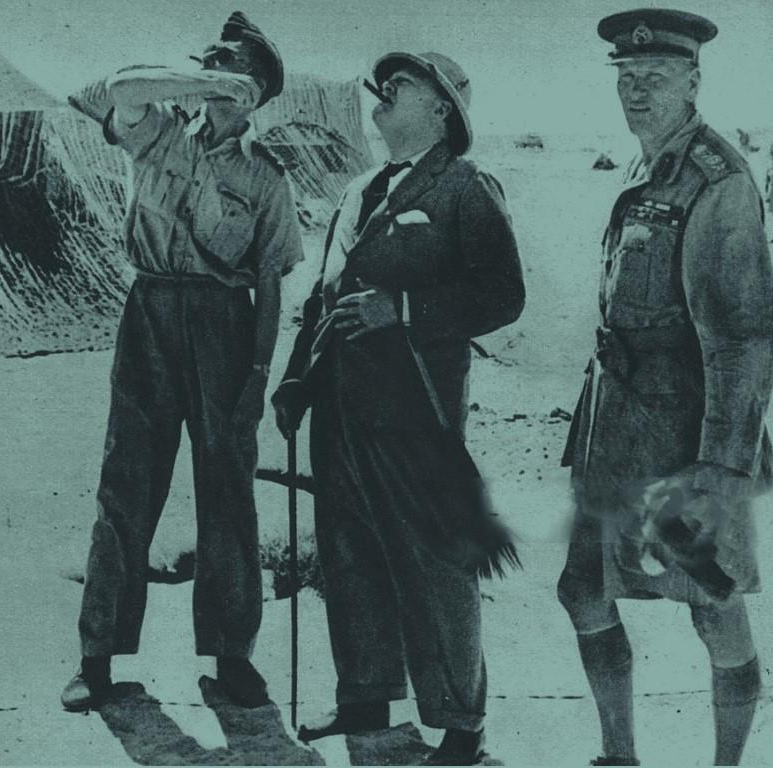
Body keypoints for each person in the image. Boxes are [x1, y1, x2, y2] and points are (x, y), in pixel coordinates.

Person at [272, 51, 525, 765]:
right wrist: (296, 381)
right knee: (348, 551)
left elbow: (503, 295)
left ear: (442, 109)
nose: (382, 93)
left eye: (402, 85)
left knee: (436, 560)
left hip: (417, 410)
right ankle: (366, 695)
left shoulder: (466, 186)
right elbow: (322, 296)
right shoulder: (358, 189)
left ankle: (461, 724)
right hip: (340, 406)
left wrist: (405, 308)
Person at [60, 11, 304, 712]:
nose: (209, 66)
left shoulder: (266, 176)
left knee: (228, 490)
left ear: (258, 86)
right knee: (126, 483)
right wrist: (207, 83)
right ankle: (97, 658)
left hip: (225, 326)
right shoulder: (158, 128)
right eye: (207, 59)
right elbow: (119, 87)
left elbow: (269, 284)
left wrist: (257, 376)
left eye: (227, 61)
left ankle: (232, 657)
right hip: (150, 312)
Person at [558, 9, 773, 766]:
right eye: (626, 76)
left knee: (711, 604)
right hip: (615, 426)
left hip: (685, 433)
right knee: (583, 590)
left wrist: (720, 468)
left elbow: (744, 337)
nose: (636, 90)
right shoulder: (641, 167)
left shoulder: (718, 180)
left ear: (693, 81)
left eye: (654, 76)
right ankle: (618, 755)